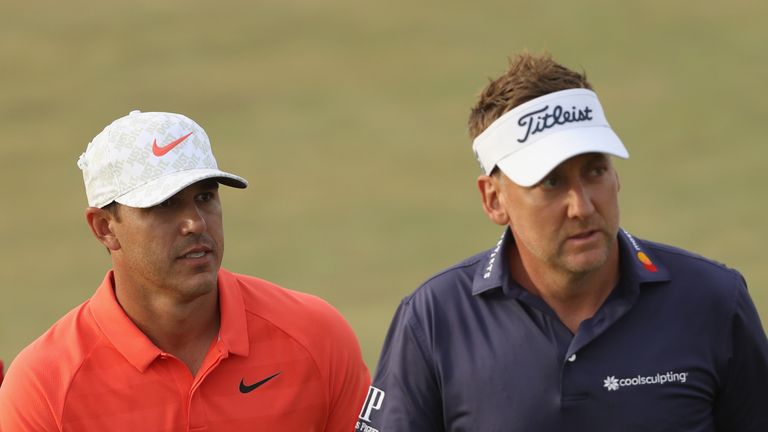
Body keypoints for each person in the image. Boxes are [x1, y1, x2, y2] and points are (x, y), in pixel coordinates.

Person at [356, 53, 768, 431]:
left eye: (594, 171)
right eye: (551, 182)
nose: (582, 206)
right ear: (493, 199)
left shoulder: (714, 301)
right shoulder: (434, 318)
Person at [0, 111, 370, 431]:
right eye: (164, 205)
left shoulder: (317, 337)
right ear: (104, 228)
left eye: (205, 197)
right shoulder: (45, 386)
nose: (195, 222)